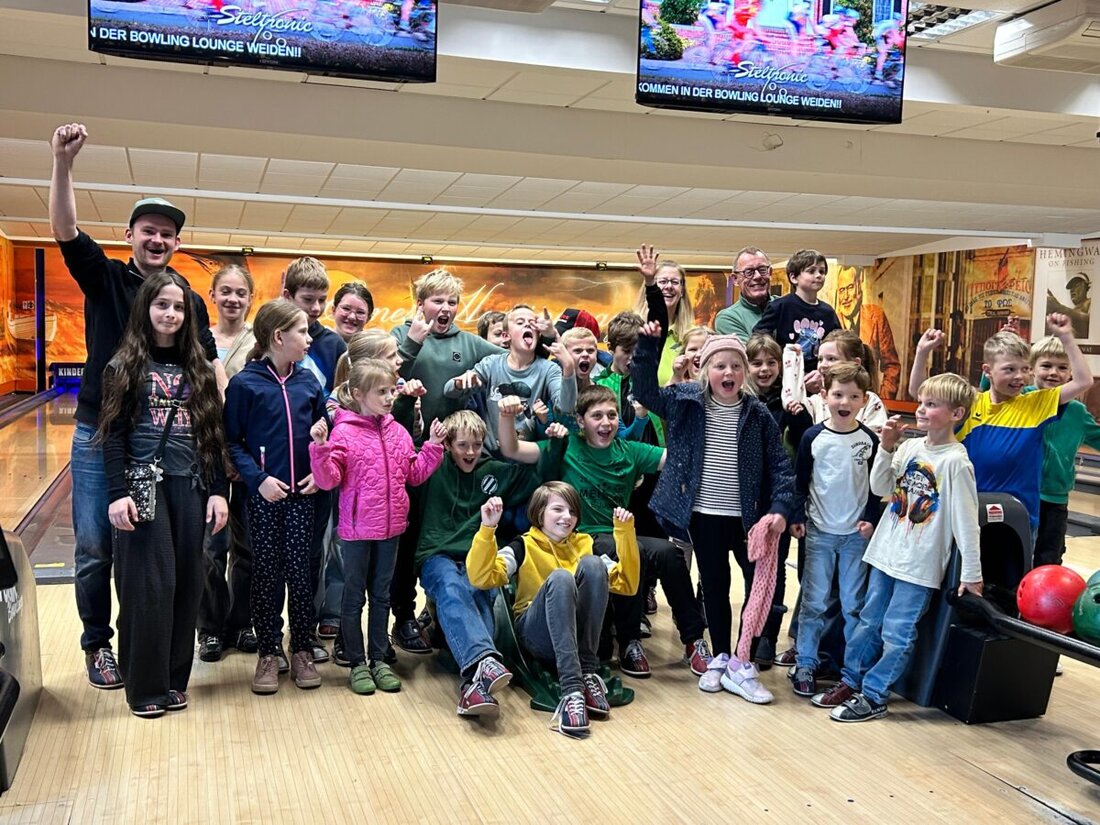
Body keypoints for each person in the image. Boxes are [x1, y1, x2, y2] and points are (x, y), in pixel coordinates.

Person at [49, 122, 222, 690]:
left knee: (154, 555)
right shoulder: (106, 281)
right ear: (130, 235)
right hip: (103, 436)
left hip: (166, 449)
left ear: (176, 244)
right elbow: (66, 229)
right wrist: (62, 164)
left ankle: (142, 645)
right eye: (149, 230)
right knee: (99, 547)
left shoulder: (188, 299)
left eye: (168, 234)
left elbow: (208, 368)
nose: (158, 240)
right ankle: (98, 645)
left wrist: (218, 446)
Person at [498, 386, 710, 680]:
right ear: (581, 421)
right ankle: (629, 641)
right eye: (597, 416)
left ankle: (693, 639)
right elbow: (512, 449)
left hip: (619, 531)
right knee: (621, 551)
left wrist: (704, 422)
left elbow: (676, 459)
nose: (606, 422)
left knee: (670, 553)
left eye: (611, 415)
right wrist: (506, 417)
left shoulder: (630, 450)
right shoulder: (568, 446)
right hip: (583, 541)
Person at [632, 321, 795, 703]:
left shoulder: (757, 414)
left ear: (744, 373)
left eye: (736, 367)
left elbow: (781, 467)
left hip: (748, 521)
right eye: (720, 366)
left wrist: (782, 508)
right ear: (706, 370)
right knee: (716, 588)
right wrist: (648, 344)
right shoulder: (685, 401)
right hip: (703, 517)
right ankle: (721, 656)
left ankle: (744, 660)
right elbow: (643, 391)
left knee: (758, 590)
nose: (729, 373)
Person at [814, 374, 983, 722]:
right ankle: (852, 681)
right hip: (885, 555)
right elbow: (879, 488)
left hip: (918, 567)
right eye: (921, 402)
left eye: (932, 404)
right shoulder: (910, 448)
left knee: (896, 632)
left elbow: (968, 524)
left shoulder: (956, 462)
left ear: (957, 413)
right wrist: (887, 447)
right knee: (867, 623)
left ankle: (875, 694)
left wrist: (973, 574)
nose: (921, 410)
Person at [99, 273, 229, 717]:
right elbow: (113, 437)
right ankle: (145, 688)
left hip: (190, 487)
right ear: (145, 310)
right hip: (143, 489)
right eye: (162, 305)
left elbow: (212, 436)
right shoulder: (124, 366)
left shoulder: (199, 368)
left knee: (187, 587)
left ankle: (174, 680)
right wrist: (117, 494)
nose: (171, 314)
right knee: (151, 588)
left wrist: (217, 491)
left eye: (178, 307)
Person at [415, 411, 564, 718]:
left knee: (480, 590)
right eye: (462, 445)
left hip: (478, 557)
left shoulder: (494, 471)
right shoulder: (434, 465)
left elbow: (540, 480)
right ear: (448, 445)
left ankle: (474, 685)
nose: (470, 452)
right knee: (451, 587)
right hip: (436, 554)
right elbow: (409, 456)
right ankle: (484, 659)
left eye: (477, 445)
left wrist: (555, 445)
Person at [309, 359, 445, 695]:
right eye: (380, 392)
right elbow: (329, 480)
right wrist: (320, 450)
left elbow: (413, 474)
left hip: (392, 528)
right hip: (357, 531)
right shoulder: (342, 431)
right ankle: (356, 662)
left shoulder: (397, 431)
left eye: (391, 390)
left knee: (381, 596)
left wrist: (433, 446)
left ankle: (379, 658)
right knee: (354, 597)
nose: (388, 398)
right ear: (357, 394)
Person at [466, 483, 640, 738]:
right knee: (560, 578)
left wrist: (624, 533)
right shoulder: (523, 546)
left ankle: (588, 673)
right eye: (558, 509)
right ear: (539, 513)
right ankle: (572, 690)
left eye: (572, 511)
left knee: (593, 565)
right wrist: (488, 528)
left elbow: (627, 584)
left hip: (576, 637)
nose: (567, 517)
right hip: (537, 634)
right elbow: (481, 577)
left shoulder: (585, 543)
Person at [389, 269, 502, 654]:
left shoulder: (468, 344)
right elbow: (380, 378)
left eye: (452, 302)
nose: (446, 308)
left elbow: (510, 362)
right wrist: (411, 345)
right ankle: (402, 616)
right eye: (438, 300)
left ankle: (436, 613)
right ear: (420, 303)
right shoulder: (400, 336)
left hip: (450, 462)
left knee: (438, 539)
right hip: (405, 457)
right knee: (407, 541)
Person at [908, 314, 1093, 541]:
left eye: (1025, 369)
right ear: (987, 371)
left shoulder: (1037, 403)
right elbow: (919, 391)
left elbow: (1083, 382)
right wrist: (922, 353)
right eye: (1010, 370)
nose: (1020, 377)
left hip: (1018, 518)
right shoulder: (971, 402)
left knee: (1011, 575)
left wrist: (1066, 337)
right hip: (965, 513)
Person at [223, 300, 329, 694]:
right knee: (266, 574)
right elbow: (232, 442)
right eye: (302, 331)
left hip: (304, 495)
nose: (308, 338)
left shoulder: (308, 383)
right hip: (265, 497)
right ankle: (269, 651)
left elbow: (326, 434)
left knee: (302, 575)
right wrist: (258, 480)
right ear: (278, 336)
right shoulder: (245, 385)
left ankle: (300, 648)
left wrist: (319, 474)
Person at [788, 362, 880, 699]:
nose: (845, 401)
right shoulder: (814, 437)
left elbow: (874, 486)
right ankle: (806, 662)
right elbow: (800, 482)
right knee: (814, 601)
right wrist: (797, 515)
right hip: (820, 533)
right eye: (838, 394)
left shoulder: (868, 440)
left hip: (855, 535)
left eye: (853, 396)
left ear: (864, 400)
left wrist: (871, 517)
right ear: (824, 395)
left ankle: (852, 672)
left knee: (853, 604)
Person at [198, 264, 259, 663]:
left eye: (241, 292)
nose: (233, 299)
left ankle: (242, 622)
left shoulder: (259, 340)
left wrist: (240, 457)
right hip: (205, 454)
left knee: (249, 546)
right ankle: (210, 627)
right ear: (213, 295)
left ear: (250, 298)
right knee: (209, 547)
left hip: (249, 457)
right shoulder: (198, 340)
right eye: (226, 292)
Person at [444, 304, 577, 455]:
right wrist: (459, 382)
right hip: (491, 456)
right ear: (507, 336)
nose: (527, 324)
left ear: (538, 334)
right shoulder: (491, 363)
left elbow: (567, 407)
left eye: (532, 323)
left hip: (525, 454)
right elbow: (448, 391)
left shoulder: (548, 369)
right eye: (520, 322)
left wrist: (568, 365)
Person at [753, 249, 841, 373]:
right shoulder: (780, 306)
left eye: (822, 271)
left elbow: (840, 344)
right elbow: (759, 336)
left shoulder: (828, 312)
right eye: (811, 271)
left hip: (819, 374)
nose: (819, 275)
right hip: (786, 374)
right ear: (794, 277)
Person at [833, 266, 901, 399]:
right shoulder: (833, 320)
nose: (846, 296)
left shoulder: (876, 316)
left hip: (869, 397)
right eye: (842, 290)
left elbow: (891, 365)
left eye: (850, 287)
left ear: (859, 285)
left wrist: (883, 400)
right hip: (840, 398)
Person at [805, 329, 888, 433]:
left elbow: (877, 442)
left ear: (855, 363)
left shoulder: (870, 401)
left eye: (831, 359)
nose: (822, 365)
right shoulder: (816, 401)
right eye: (820, 359)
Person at [714, 247, 776, 342]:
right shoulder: (728, 318)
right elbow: (754, 355)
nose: (757, 276)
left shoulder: (787, 306)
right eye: (749, 272)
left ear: (770, 272)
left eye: (762, 270)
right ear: (735, 279)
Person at [1046, 273, 1091, 339]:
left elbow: (1090, 322)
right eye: (1071, 288)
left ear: (1085, 286)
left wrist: (1058, 308)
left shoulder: (1091, 302)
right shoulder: (1073, 310)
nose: (1072, 290)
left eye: (1076, 285)